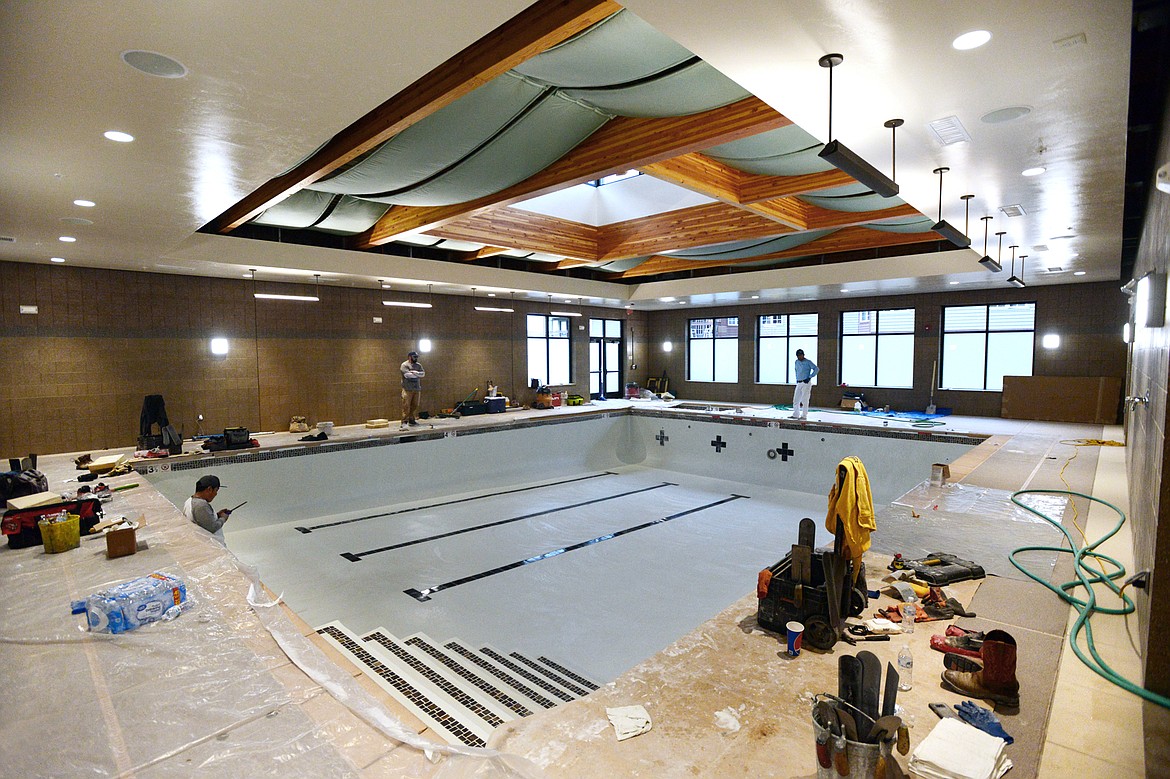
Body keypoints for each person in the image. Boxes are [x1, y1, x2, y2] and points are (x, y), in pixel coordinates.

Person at [184, 474, 232, 541]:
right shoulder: (200, 505)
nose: (216, 494)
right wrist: (223, 518)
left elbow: (202, 522)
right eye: (216, 490)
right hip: (212, 545)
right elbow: (212, 528)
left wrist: (217, 515)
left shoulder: (190, 501)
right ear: (209, 489)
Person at [790, 349, 819, 420]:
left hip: (806, 383)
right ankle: (796, 414)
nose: (799, 357)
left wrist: (810, 377)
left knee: (804, 400)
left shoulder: (808, 362)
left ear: (803, 355)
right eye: (798, 356)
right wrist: (797, 378)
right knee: (796, 399)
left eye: (800, 355)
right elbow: (796, 370)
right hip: (799, 382)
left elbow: (816, 369)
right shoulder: (796, 362)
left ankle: (804, 415)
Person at [400, 350, 425, 428]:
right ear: (410, 357)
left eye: (417, 357)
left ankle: (412, 419)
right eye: (414, 357)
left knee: (415, 405)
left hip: (416, 389)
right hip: (407, 389)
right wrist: (417, 374)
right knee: (406, 405)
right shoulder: (404, 365)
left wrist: (415, 373)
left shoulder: (418, 365)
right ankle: (404, 421)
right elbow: (407, 375)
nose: (416, 358)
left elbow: (423, 374)